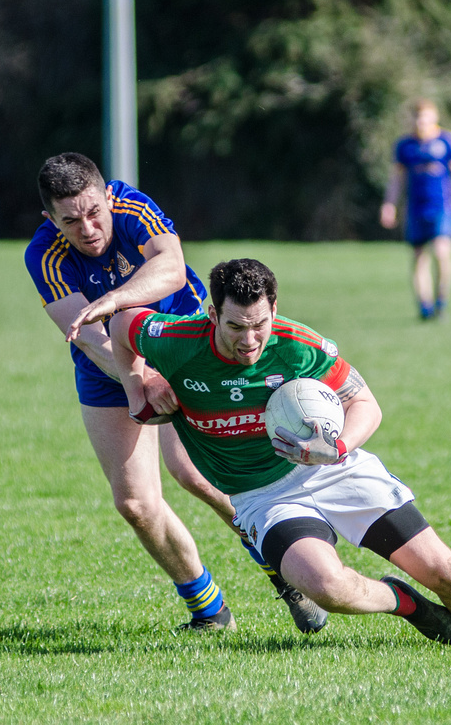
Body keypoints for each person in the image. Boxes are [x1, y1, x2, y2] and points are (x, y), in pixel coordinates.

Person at [110, 258, 451, 645]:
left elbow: (365, 402)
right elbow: (120, 323)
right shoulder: (175, 341)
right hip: (264, 498)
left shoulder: (297, 346)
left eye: (259, 326)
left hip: (336, 470)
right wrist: (139, 380)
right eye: (235, 327)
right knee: (327, 587)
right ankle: (402, 601)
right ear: (212, 314)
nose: (249, 341)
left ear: (275, 310)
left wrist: (338, 447)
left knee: (446, 572)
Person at [23, 153, 326, 633]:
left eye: (94, 211)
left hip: (184, 347)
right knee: (135, 505)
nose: (88, 228)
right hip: (108, 371)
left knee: (197, 477)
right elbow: (85, 334)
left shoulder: (133, 206)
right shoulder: (43, 255)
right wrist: (139, 377)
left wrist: (124, 308)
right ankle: (208, 609)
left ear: (107, 196)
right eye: (70, 220)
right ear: (49, 220)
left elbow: (171, 265)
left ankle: (286, 578)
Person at [380, 99, 451, 322]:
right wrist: (389, 204)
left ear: (435, 118)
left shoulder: (447, 141)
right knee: (419, 258)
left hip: (442, 207)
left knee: (442, 253)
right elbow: (396, 178)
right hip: (416, 209)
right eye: (417, 117)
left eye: (426, 117)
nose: (421, 122)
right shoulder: (405, 145)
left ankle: (442, 302)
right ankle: (424, 306)